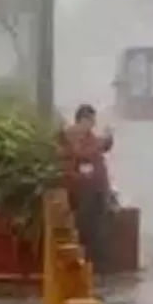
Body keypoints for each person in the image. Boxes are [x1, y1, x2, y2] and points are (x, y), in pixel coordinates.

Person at [59, 104, 115, 274]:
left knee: (99, 229)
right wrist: (101, 144)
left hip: (97, 189)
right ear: (81, 120)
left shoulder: (90, 137)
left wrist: (108, 138)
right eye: (89, 120)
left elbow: (102, 146)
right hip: (82, 190)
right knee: (86, 228)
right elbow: (81, 154)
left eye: (92, 120)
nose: (91, 124)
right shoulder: (72, 136)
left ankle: (98, 265)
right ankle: (87, 265)